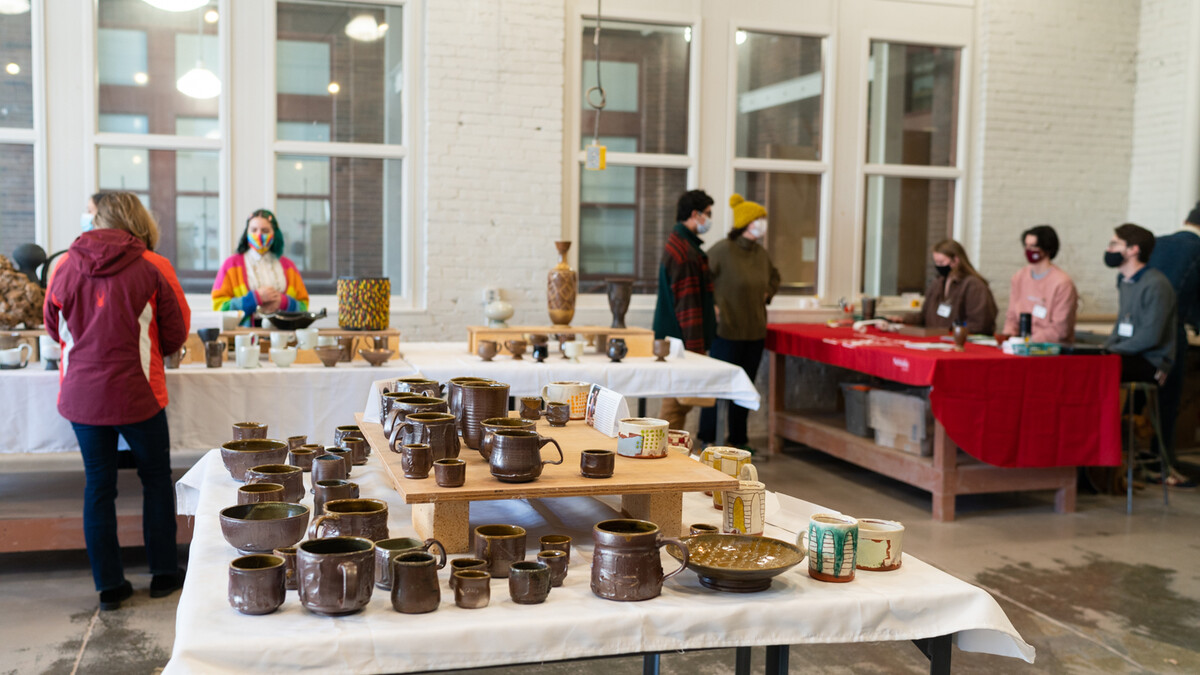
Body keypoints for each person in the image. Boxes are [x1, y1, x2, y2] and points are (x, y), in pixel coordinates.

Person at [44, 191, 190, 611]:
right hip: (138, 391)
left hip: (83, 397)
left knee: (98, 486)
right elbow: (177, 330)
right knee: (156, 481)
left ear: (102, 218)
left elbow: (54, 330)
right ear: (134, 218)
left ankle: (109, 586)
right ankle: (163, 574)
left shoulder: (63, 266)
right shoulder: (154, 266)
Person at [698, 194, 780, 452]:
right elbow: (701, 278)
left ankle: (738, 440)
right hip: (727, 332)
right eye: (759, 219)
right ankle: (707, 439)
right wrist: (711, 306)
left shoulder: (761, 254)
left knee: (744, 391)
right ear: (746, 223)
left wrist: (768, 291)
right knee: (718, 388)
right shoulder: (722, 250)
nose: (762, 224)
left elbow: (774, 276)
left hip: (754, 331)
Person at [653, 189, 718, 431]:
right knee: (676, 405)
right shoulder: (686, 254)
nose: (710, 219)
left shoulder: (679, 244)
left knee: (677, 403)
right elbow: (688, 308)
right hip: (682, 343)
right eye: (708, 214)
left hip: (673, 339)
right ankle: (665, 453)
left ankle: (667, 450)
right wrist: (696, 353)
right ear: (695, 214)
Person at [1146, 204, 1200, 487]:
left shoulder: (1156, 243)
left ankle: (1142, 461)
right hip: (1171, 334)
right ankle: (1163, 465)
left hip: (1143, 336)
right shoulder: (1196, 250)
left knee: (1144, 401)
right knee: (1168, 403)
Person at [1104, 223, 1177, 385]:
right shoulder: (1125, 282)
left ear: (1133, 250)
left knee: (1096, 370)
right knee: (1086, 363)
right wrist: (1103, 349)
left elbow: (1150, 337)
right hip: (1130, 355)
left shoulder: (1156, 284)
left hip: (1151, 362)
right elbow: (1120, 324)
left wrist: (1110, 351)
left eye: (1114, 244)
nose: (1109, 249)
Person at [212, 209, 309, 326]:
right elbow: (219, 308)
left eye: (265, 230)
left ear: (274, 233)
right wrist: (254, 299)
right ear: (246, 233)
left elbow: (304, 308)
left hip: (283, 338)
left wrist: (283, 302)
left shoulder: (289, 267)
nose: (259, 235)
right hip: (244, 339)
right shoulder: (231, 265)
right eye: (254, 230)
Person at [895, 239, 998, 335]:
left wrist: (951, 330)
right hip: (935, 339)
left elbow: (981, 323)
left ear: (956, 260)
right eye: (936, 262)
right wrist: (903, 319)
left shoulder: (974, 285)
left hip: (962, 342)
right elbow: (924, 316)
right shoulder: (937, 283)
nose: (938, 266)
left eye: (941, 262)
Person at [1000, 225, 1078, 343]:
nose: (1028, 250)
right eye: (1026, 246)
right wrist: (1008, 337)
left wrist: (1028, 341)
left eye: (1033, 246)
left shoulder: (1062, 283)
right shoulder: (1019, 277)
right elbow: (1011, 317)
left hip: (1049, 349)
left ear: (1047, 248)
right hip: (1019, 345)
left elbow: (1060, 329)